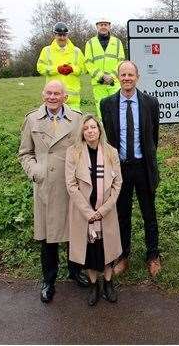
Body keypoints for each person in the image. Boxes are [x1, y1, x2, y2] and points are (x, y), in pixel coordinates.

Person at [18, 80, 88, 303]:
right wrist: (36, 170)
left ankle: (75, 271)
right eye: (49, 93)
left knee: (73, 231)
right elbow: (24, 153)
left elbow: (86, 149)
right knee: (48, 237)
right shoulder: (32, 119)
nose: (53, 97)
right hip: (45, 185)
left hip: (70, 185)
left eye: (57, 93)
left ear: (65, 97)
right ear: (42, 95)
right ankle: (48, 280)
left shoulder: (77, 118)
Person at [100, 60, 161, 278]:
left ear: (138, 77)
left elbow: (154, 138)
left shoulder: (150, 103)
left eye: (131, 75)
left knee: (149, 214)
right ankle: (123, 255)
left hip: (143, 167)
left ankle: (153, 256)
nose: (127, 78)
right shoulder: (107, 104)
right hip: (120, 169)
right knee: (122, 215)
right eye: (123, 74)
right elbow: (108, 138)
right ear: (118, 77)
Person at [65, 114, 122, 306]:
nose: (90, 131)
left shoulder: (111, 152)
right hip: (84, 214)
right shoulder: (73, 152)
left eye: (94, 127)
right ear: (82, 132)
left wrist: (104, 209)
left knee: (107, 250)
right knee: (89, 252)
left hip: (106, 212)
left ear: (100, 130)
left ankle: (108, 283)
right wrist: (89, 212)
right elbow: (71, 184)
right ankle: (93, 285)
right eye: (86, 128)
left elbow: (117, 183)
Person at [37, 22, 86, 111]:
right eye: (60, 35)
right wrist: (57, 69)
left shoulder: (77, 51)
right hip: (53, 98)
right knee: (53, 124)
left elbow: (83, 69)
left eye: (64, 35)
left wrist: (72, 69)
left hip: (73, 99)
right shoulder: (46, 51)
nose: (62, 38)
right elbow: (40, 68)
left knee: (74, 124)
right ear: (55, 35)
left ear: (67, 35)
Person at [84, 17, 126, 117]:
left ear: (109, 26)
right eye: (101, 24)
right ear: (97, 26)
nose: (103, 27)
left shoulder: (117, 42)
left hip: (114, 83)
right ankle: (104, 131)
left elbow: (121, 61)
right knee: (101, 110)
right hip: (99, 84)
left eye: (105, 24)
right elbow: (88, 63)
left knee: (117, 110)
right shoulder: (90, 43)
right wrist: (102, 76)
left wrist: (112, 76)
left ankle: (116, 132)